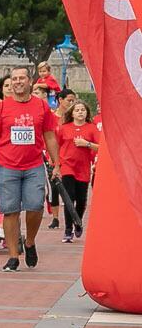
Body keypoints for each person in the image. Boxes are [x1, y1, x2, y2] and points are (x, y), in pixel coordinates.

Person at [0, 63, 60, 270]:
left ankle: (30, 241)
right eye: (14, 79)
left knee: (35, 206)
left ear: (30, 81)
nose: (17, 82)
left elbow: (50, 136)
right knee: (10, 211)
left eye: (21, 78)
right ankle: (13, 256)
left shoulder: (41, 106)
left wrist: (57, 163)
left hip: (33, 165)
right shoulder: (1, 107)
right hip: (7, 166)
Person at [55, 95, 101, 242]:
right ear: (72, 113)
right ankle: (68, 230)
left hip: (83, 168)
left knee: (81, 200)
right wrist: (54, 163)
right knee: (69, 197)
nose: (80, 112)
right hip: (67, 166)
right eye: (77, 110)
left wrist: (86, 144)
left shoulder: (92, 129)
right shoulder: (64, 128)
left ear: (87, 113)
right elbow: (55, 145)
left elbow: (101, 148)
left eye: (83, 110)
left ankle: (78, 222)